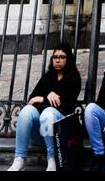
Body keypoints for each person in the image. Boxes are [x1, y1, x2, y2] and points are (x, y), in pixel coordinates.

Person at [8, 43, 82, 171]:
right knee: (26, 111)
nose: (57, 60)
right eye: (55, 57)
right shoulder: (48, 77)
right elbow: (31, 100)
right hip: (39, 135)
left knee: (48, 113)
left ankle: (52, 159)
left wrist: (42, 101)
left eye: (62, 57)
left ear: (68, 59)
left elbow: (65, 105)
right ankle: (19, 159)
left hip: (59, 136)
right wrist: (47, 96)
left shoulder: (74, 78)